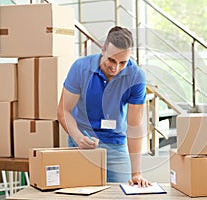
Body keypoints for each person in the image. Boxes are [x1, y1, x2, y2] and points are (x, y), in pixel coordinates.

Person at [57, 26, 151, 187]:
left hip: (115, 144)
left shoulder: (136, 77)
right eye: (111, 60)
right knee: (79, 196)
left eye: (123, 62)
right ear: (103, 49)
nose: (116, 68)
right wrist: (79, 138)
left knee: (120, 194)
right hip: (81, 141)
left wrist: (136, 173)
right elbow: (64, 110)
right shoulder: (80, 67)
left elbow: (134, 125)